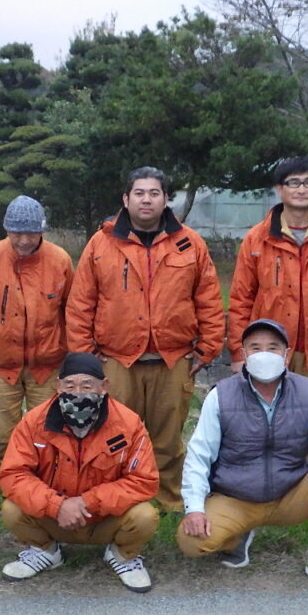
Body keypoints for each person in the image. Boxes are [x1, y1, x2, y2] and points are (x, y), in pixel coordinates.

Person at [66, 166, 224, 511]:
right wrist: (88, 359)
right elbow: (80, 304)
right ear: (126, 199)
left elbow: (208, 298)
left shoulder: (189, 243)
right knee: (114, 437)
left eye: (154, 193)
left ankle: (168, 502)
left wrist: (207, 348)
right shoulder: (102, 243)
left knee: (167, 441)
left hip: (174, 359)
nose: (147, 199)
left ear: (166, 199)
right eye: (139, 193)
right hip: (116, 360)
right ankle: (119, 502)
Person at [177, 318, 308, 601]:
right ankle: (237, 537)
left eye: (273, 347)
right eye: (256, 347)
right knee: (191, 542)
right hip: (237, 497)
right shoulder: (221, 396)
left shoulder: (307, 392)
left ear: (287, 355)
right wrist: (194, 508)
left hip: (291, 492)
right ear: (244, 354)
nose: (264, 354)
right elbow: (199, 457)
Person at [0, 352, 160, 593]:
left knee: (145, 517)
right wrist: (57, 505)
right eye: (69, 385)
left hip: (105, 518)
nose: (78, 392)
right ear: (57, 386)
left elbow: (143, 480)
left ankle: (122, 556)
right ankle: (45, 551)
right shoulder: (34, 422)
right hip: (54, 517)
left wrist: (88, 502)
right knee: (11, 510)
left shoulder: (129, 424)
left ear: (104, 387)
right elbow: (13, 474)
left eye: (87, 385)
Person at [228, 157, 308, 393]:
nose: (301, 189)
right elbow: (241, 299)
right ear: (280, 189)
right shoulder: (257, 238)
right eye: (294, 182)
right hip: (269, 353)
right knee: (268, 420)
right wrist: (239, 353)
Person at [0, 195, 74, 464]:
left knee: (47, 430)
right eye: (17, 232)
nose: (24, 240)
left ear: (41, 230)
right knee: (4, 433)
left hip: (47, 364)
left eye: (31, 232)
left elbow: (70, 309)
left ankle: (45, 481)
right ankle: (7, 483)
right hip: (3, 364)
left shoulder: (60, 260)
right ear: (7, 229)